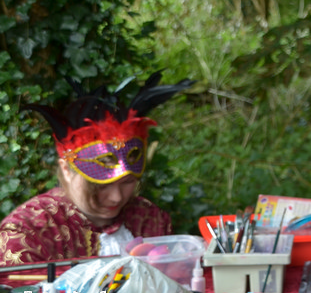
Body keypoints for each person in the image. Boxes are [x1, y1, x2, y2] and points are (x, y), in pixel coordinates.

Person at [0, 72, 193, 265]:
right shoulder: (26, 233)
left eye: (127, 182)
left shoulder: (150, 218)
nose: (116, 197)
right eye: (101, 185)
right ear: (66, 170)